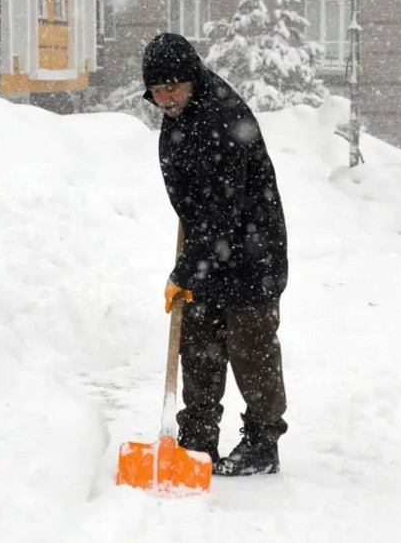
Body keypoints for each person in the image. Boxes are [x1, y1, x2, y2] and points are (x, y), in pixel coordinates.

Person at [142, 33, 289, 476]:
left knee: (250, 348)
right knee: (199, 344)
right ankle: (198, 438)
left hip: (250, 255)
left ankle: (263, 444)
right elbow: (199, 204)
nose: (165, 97)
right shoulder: (184, 110)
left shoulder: (223, 119)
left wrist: (184, 272)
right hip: (210, 249)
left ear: (192, 79)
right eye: (157, 89)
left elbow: (220, 212)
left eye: (173, 87)